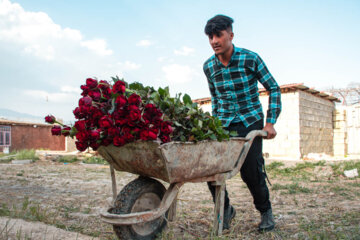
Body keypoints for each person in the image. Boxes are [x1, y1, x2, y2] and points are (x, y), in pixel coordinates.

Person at [203, 14, 281, 232]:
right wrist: (213, 124)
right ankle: (225, 210)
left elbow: (273, 88)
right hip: (223, 124)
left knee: (251, 172)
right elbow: (215, 98)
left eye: (218, 35)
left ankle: (265, 211)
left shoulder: (250, 58)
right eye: (210, 37)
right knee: (211, 170)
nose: (214, 41)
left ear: (230, 35)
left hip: (250, 121)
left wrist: (270, 122)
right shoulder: (209, 66)